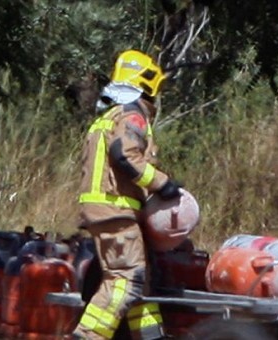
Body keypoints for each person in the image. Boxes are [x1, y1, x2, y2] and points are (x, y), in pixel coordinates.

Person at [72, 49, 181, 340]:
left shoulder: (109, 116)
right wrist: (162, 183)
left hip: (107, 210)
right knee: (125, 280)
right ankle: (87, 335)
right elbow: (126, 155)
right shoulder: (133, 115)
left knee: (139, 286)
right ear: (147, 85)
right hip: (115, 210)